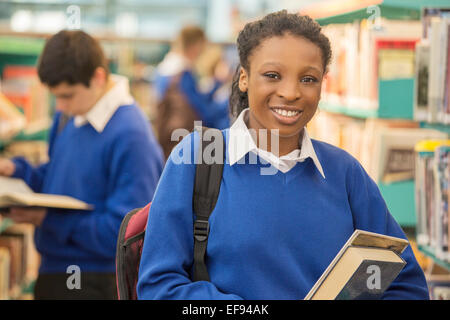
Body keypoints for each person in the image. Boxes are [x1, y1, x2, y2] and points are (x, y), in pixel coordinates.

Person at [136, 11, 429, 299]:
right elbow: (159, 286)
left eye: (308, 79)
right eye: (272, 75)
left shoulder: (345, 173)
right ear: (243, 78)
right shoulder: (196, 160)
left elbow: (406, 286)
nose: (290, 92)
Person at [0, 30, 164, 299]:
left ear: (98, 77)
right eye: (56, 97)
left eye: (67, 96)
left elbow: (128, 235)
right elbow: (59, 179)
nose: (61, 106)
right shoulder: (69, 116)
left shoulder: (132, 135)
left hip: (93, 280)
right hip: (54, 269)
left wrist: (48, 220)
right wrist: (18, 172)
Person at [153, 25, 231, 158]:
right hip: (186, 138)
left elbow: (196, 100)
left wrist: (217, 83)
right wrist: (229, 100)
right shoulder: (182, 74)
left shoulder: (164, 70)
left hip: (169, 138)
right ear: (196, 45)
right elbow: (204, 113)